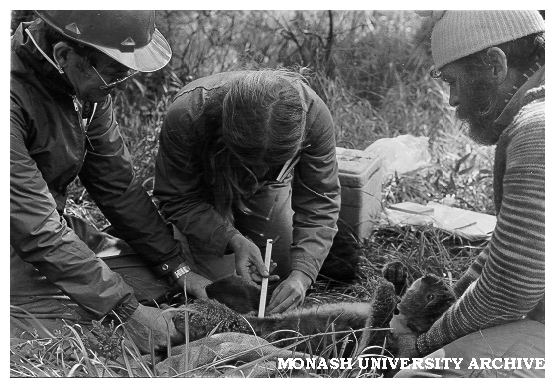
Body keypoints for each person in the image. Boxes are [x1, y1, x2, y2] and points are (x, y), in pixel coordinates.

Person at [10, 11, 204, 352]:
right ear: (64, 56)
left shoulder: (85, 90)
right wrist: (125, 310)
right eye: (115, 74)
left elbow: (118, 186)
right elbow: (35, 227)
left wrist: (177, 267)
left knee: (156, 284)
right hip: (17, 236)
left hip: (46, 228)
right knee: (88, 327)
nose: (124, 83)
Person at [392, 11, 545, 377]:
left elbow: (508, 293)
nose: (453, 100)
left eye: (454, 81)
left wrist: (418, 348)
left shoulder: (543, 128)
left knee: (415, 379)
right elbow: (514, 248)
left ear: (495, 64)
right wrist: (446, 305)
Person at [153, 69, 341, 314]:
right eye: (253, 161)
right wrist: (234, 240)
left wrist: (303, 274)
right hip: (203, 189)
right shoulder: (188, 114)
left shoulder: (313, 115)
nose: (260, 169)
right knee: (224, 293)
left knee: (278, 275)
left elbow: (320, 200)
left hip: (268, 185)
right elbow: (178, 197)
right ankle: (179, 233)